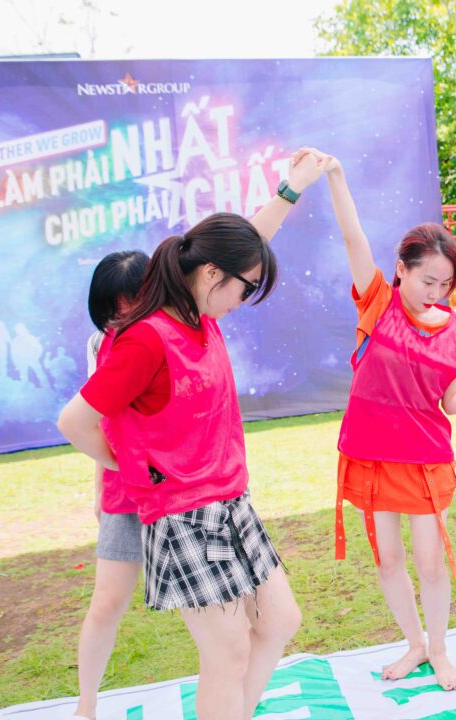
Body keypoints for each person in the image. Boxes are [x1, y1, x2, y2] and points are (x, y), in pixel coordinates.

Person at [57, 150, 326, 720]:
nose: (243, 301)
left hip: (229, 500)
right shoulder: (146, 337)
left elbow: (250, 240)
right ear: (210, 276)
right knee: (227, 653)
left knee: (280, 621)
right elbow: (74, 421)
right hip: (182, 512)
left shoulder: (198, 312)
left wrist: (292, 188)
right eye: (244, 289)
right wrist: (136, 465)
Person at [316, 150, 456, 691]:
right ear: (401, 269)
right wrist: (336, 174)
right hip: (372, 454)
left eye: (445, 284)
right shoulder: (376, 303)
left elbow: (452, 402)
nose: (436, 292)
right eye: (427, 280)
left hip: (425, 459)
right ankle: (414, 645)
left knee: (430, 562)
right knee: (388, 561)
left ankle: (440, 651)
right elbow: (353, 237)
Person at [69, 249, 149, 720]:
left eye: (129, 307)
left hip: (182, 488)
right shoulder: (100, 344)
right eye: (112, 312)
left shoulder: (177, 330)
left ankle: (232, 687)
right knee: (107, 602)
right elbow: (97, 420)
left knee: (213, 600)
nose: (121, 320)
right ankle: (86, 706)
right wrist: (101, 485)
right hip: (126, 487)